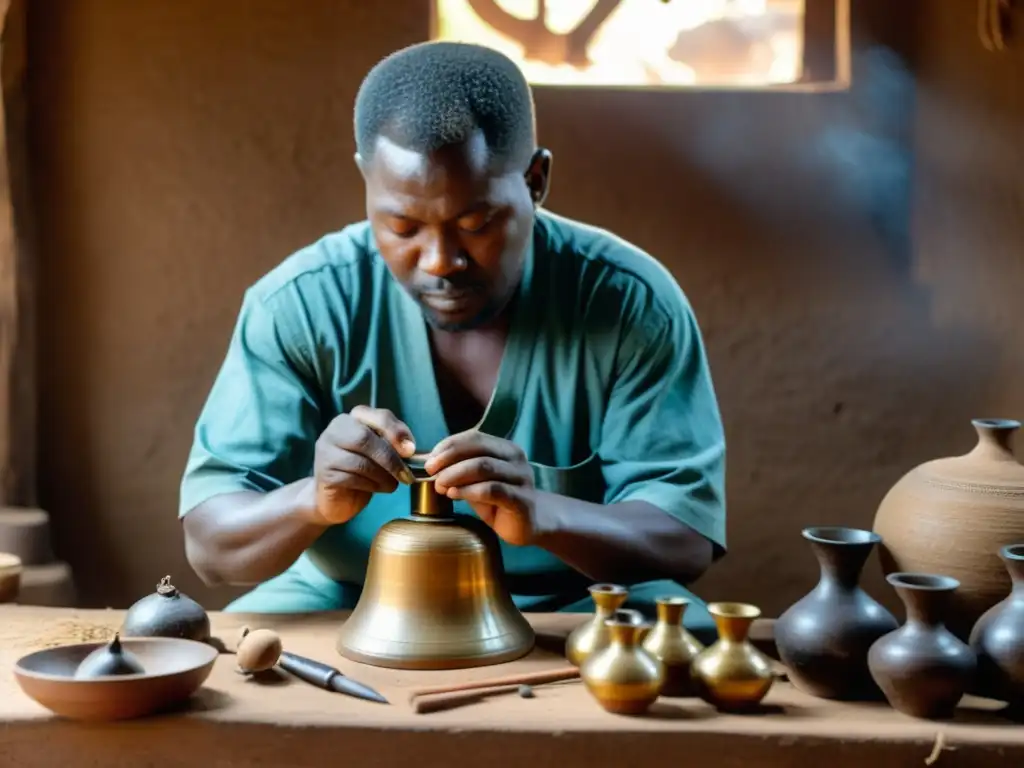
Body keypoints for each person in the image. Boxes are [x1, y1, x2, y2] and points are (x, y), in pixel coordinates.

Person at [179, 40, 727, 637]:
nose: (441, 262)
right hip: (350, 597)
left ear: (536, 180)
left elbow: (685, 541)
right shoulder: (301, 304)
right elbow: (211, 546)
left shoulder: (627, 301)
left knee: (687, 660)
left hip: (574, 605)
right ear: (367, 181)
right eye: (402, 226)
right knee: (234, 672)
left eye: (477, 223)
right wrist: (314, 499)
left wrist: (542, 514)